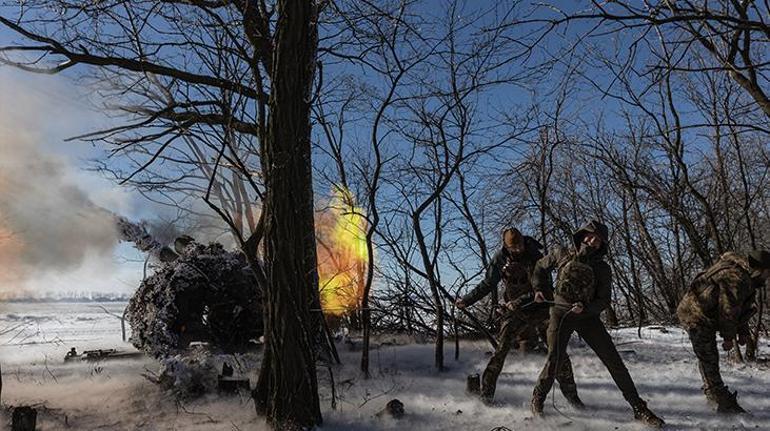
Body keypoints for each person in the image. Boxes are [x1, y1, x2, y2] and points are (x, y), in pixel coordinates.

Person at [530, 220, 664, 428]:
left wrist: (586, 308)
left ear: (603, 244)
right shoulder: (561, 253)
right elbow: (539, 267)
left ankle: (638, 408)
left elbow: (604, 300)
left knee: (614, 361)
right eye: (590, 236)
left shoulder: (603, 268)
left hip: (587, 318)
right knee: (554, 359)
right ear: (582, 235)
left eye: (598, 239)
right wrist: (539, 289)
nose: (593, 241)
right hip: (559, 313)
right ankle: (538, 399)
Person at [456, 228, 582, 406]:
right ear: (506, 247)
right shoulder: (501, 258)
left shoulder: (535, 256)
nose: (517, 250)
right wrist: (467, 300)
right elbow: (488, 283)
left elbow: (543, 289)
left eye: (520, 246)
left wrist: (520, 301)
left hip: (541, 307)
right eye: (513, 248)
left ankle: (572, 397)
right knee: (500, 350)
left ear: (524, 242)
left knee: (557, 352)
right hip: (516, 311)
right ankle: (486, 395)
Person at [677, 249, 770, 413]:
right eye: (767, 273)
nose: (767, 278)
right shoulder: (736, 278)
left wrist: (743, 332)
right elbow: (728, 310)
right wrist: (728, 337)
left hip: (705, 314)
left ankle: (714, 394)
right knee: (709, 357)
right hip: (696, 314)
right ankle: (721, 401)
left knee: (707, 357)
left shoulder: (743, 276)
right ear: (760, 270)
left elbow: (741, 308)